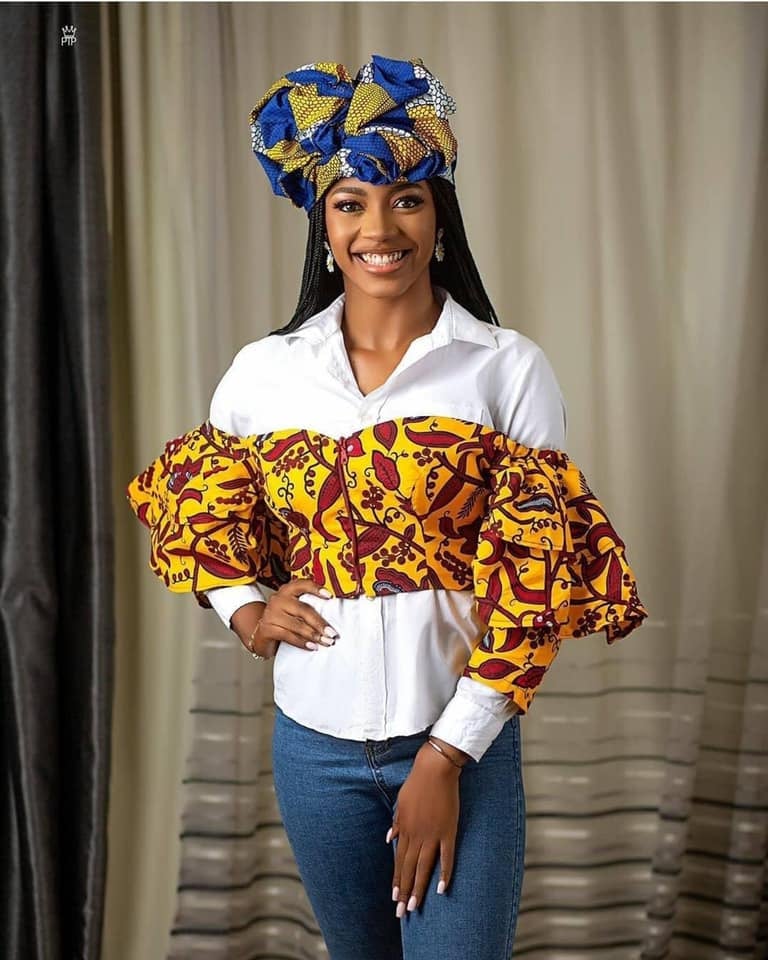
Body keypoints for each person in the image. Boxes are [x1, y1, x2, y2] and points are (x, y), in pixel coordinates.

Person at [126, 55, 647, 960]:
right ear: (324, 223)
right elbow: (198, 498)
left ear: (439, 215)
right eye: (350, 203)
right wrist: (244, 609)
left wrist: (445, 758)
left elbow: (535, 582)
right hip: (313, 751)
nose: (379, 227)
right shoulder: (265, 372)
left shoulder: (506, 369)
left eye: (406, 198)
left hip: (458, 748)